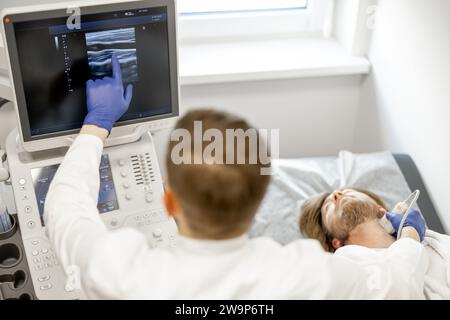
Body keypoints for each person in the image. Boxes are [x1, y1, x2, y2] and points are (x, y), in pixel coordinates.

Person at [45, 54, 428, 299]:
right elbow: (400, 282)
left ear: (169, 201)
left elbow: (64, 207)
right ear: (259, 198)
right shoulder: (312, 274)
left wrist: (96, 124)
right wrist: (409, 234)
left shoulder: (123, 272)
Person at [300, 188, 450, 299]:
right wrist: (410, 233)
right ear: (336, 242)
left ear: (381, 210)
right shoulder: (345, 264)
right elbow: (397, 293)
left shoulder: (437, 242)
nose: (337, 194)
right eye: (328, 208)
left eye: (347, 190)